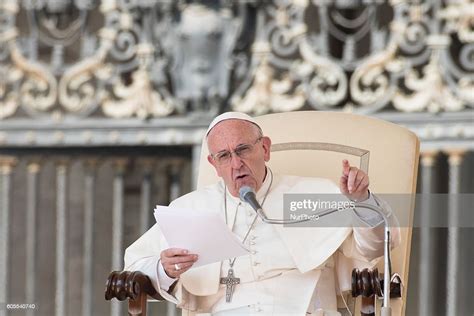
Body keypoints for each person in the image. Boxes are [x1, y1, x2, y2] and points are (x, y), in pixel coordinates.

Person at [124, 112, 400, 315]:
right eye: (224, 156)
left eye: (243, 149)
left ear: (265, 148)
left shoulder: (314, 194)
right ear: (214, 164)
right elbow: (136, 267)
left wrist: (361, 200)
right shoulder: (189, 209)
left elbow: (376, 247)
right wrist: (165, 269)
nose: (236, 164)